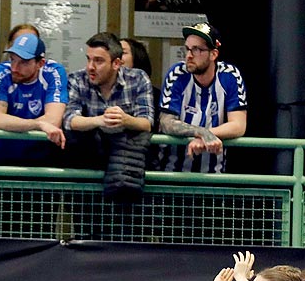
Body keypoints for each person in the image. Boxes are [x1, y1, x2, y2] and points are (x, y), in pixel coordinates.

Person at [65, 31, 156, 200]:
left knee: (125, 224)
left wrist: (125, 119)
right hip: (87, 173)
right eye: (88, 59)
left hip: (126, 174)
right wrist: (99, 120)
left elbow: (147, 122)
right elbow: (70, 120)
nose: (90, 67)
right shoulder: (76, 79)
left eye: (98, 61)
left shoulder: (137, 78)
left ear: (116, 63)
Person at [158, 22, 248, 174]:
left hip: (214, 176)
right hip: (172, 175)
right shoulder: (177, 74)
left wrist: (206, 135)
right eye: (187, 49)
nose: (189, 55)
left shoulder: (230, 75)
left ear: (214, 54)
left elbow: (239, 125)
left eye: (197, 49)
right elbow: (166, 123)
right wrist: (201, 132)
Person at [0, 30, 67, 163]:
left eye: (23, 62)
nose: (14, 68)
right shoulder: (1, 73)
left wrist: (17, 124)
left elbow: (53, 121)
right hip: (1, 158)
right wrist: (39, 124)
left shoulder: (53, 72)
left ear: (40, 64)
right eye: (12, 60)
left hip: (41, 159)